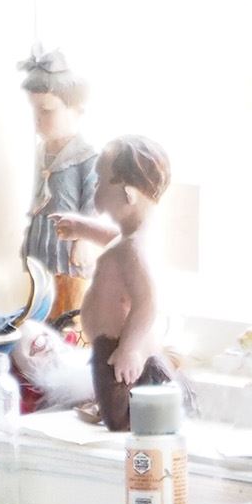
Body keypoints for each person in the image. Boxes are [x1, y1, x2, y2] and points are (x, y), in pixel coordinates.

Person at [59, 136, 172, 431]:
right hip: (118, 347)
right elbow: (114, 240)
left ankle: (126, 418)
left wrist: (129, 349)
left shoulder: (133, 249)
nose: (95, 188)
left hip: (117, 350)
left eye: (100, 182)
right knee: (117, 399)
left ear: (128, 194)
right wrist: (82, 228)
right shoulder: (131, 241)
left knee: (118, 415)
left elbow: (147, 302)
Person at [19, 48, 112, 329]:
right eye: (34, 111)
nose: (38, 119)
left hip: (68, 250)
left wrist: (84, 239)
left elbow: (93, 202)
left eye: (47, 111)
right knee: (39, 306)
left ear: (77, 110)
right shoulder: (40, 153)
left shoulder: (86, 157)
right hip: (41, 246)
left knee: (68, 310)